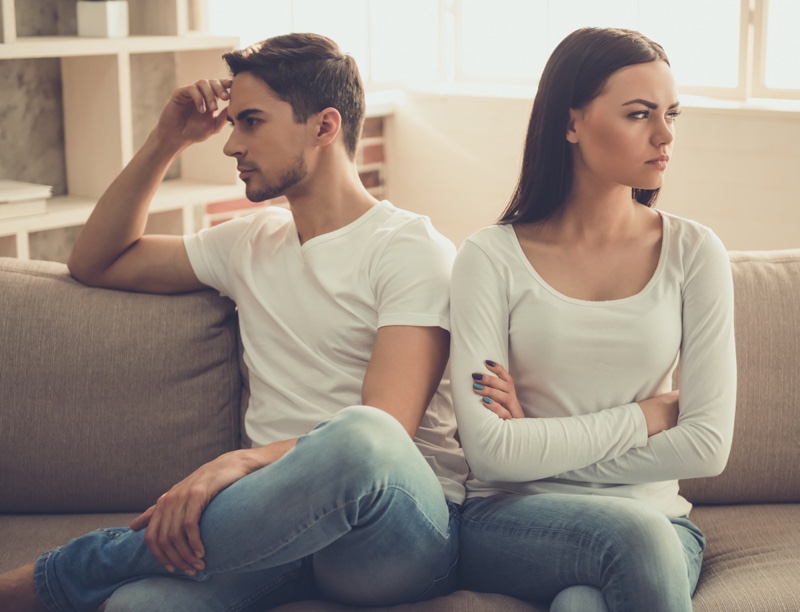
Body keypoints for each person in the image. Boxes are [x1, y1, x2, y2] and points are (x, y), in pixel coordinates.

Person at [0, 32, 467, 611]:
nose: (230, 146)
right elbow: (94, 260)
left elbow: (385, 432)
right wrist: (166, 140)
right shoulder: (251, 241)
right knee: (136, 607)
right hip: (274, 530)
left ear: (324, 127)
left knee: (359, 435)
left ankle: (54, 578)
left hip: (392, 529)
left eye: (250, 122)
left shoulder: (411, 248)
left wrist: (238, 461)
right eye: (232, 125)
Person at [449, 27, 736, 611]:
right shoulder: (488, 257)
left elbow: (706, 446)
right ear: (571, 122)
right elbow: (492, 457)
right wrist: (644, 416)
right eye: (638, 114)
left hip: (656, 518)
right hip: (513, 519)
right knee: (634, 537)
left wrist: (538, 441)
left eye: (671, 114)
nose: (665, 135)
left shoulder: (695, 252)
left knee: (582, 603)